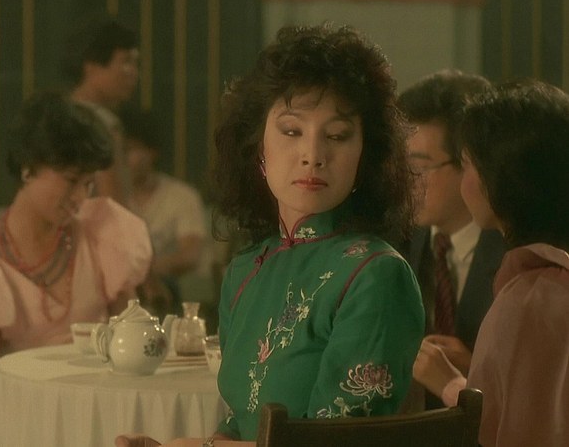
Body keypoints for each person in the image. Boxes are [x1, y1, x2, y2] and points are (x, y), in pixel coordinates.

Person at [116, 24, 424, 447]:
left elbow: (336, 440)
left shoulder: (375, 275)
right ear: (258, 148)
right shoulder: (246, 269)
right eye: (292, 131)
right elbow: (238, 421)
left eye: (337, 136)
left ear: (365, 155)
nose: (313, 155)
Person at [0, 92, 152, 417]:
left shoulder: (101, 235)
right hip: (26, 413)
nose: (81, 197)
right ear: (28, 169)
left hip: (101, 408)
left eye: (89, 184)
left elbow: (135, 339)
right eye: (71, 181)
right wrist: (62, 385)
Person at [412, 80, 569, 447]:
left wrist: (452, 385)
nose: (464, 182)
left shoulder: (530, 299)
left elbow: (517, 431)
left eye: (468, 165)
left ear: (502, 177)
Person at [396, 70, 505, 411]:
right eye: (401, 166)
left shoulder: (516, 248)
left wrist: (476, 370)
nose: (407, 182)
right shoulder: (395, 241)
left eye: (420, 167)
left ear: (471, 165)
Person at [121, 107, 209, 313]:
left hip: (169, 293)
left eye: (130, 149)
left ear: (151, 152)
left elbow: (190, 255)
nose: (123, 159)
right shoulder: (107, 200)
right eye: (119, 151)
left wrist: (145, 272)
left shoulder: (181, 196)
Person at [61, 14, 140, 204]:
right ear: (91, 66)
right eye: (126, 61)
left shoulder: (56, 114)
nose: (134, 73)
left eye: (135, 63)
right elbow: (112, 204)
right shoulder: (100, 124)